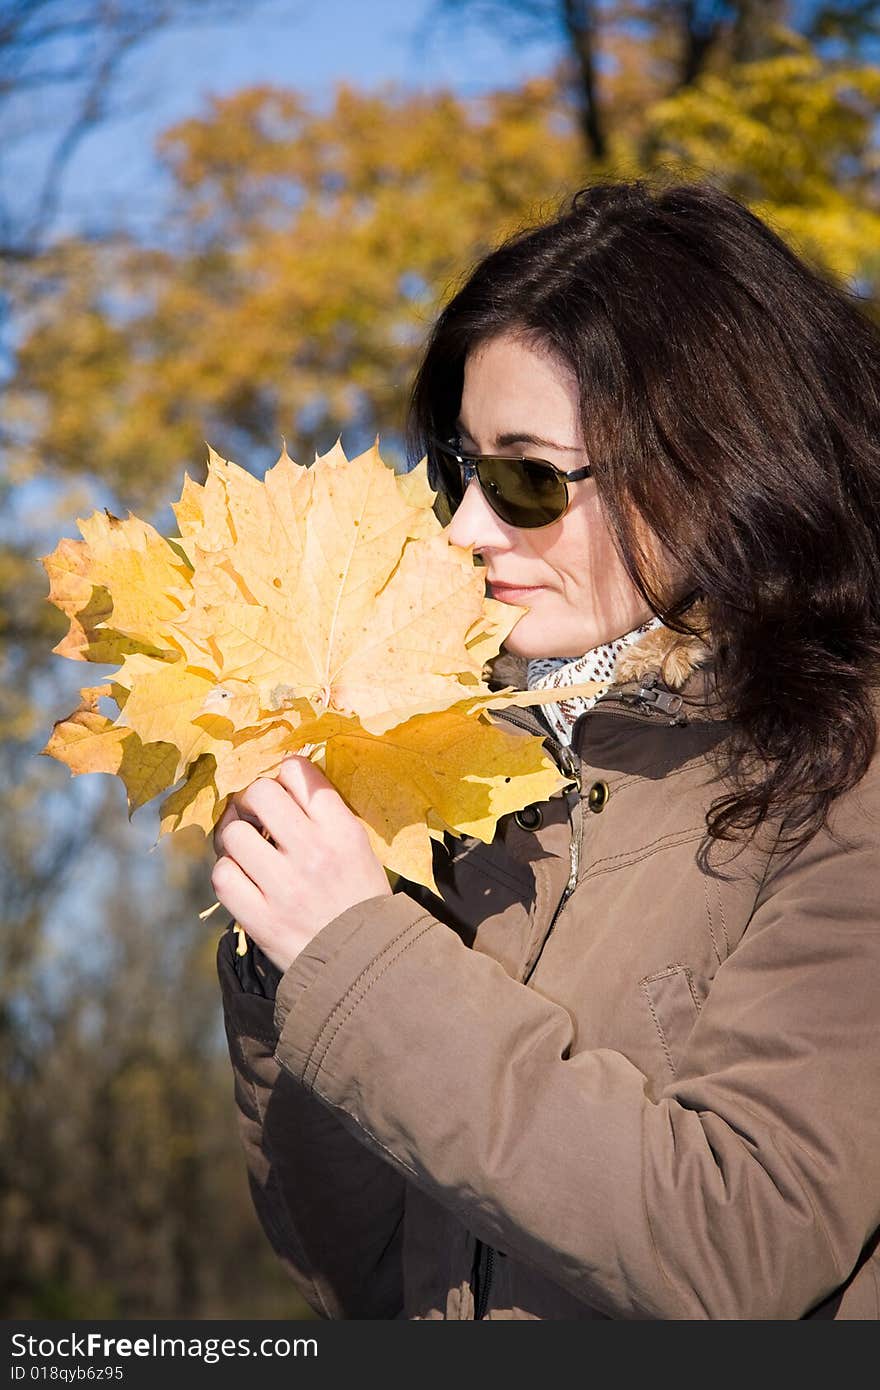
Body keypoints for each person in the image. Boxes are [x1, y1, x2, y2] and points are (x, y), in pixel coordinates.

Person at [212, 178, 880, 1320]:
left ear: (714, 459)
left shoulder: (846, 779)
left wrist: (361, 957)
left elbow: (742, 1242)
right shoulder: (470, 776)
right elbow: (359, 1278)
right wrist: (287, 957)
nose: (468, 528)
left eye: (525, 475)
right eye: (459, 468)